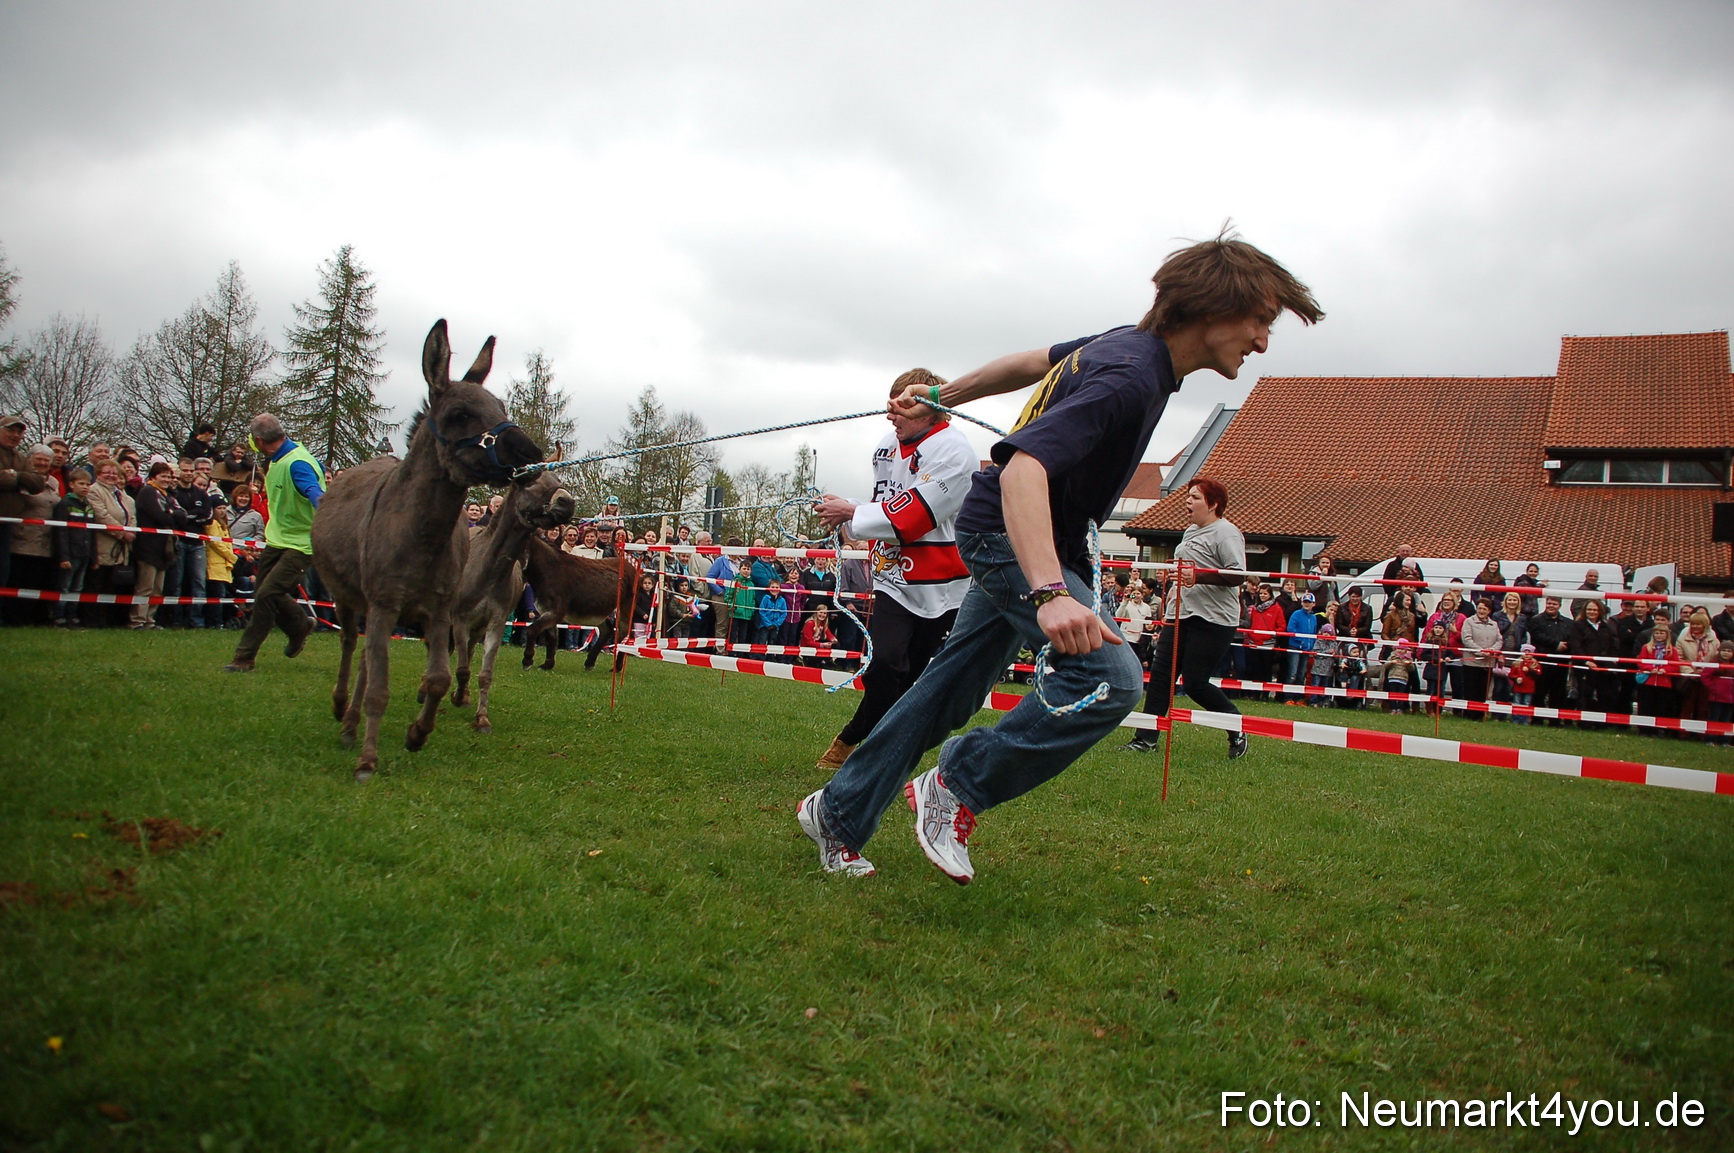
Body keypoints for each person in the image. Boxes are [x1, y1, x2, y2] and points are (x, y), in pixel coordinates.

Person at [800, 231, 1321, 881]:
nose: (1263, 341)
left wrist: (942, 399)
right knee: (1109, 677)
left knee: (946, 693)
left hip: (1020, 532)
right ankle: (956, 785)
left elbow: (1027, 362)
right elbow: (1024, 468)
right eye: (1261, 321)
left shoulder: (1125, 348)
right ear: (1215, 308)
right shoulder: (1131, 375)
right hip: (1010, 532)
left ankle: (838, 813)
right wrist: (1050, 593)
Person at [811, 368, 977, 770]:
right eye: (890, 407)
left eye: (902, 407)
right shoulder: (886, 447)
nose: (891, 416)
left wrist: (852, 511)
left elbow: (917, 513)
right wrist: (846, 508)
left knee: (911, 674)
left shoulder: (957, 453)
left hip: (942, 583)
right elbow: (884, 501)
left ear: (932, 407)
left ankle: (865, 742)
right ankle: (861, 740)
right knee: (887, 661)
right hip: (893, 575)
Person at [1127, 479, 1254, 749]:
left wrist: (1198, 576)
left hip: (1213, 619)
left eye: (1195, 497)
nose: (1188, 502)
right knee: (1161, 678)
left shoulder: (1226, 532)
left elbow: (1237, 575)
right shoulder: (1189, 533)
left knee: (1196, 684)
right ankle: (1145, 739)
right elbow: (1184, 575)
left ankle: (1236, 725)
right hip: (1180, 615)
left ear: (1214, 504)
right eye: (1188, 496)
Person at [224, 414, 324, 673]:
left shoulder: (297, 463)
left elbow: (313, 490)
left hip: (303, 543)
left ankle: (244, 658)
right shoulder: (278, 459)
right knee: (263, 594)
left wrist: (324, 508)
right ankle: (300, 626)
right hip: (278, 538)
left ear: (258, 440)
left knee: (268, 593)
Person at [131, 461, 189, 629]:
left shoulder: (169, 494)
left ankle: (150, 620)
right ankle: (137, 620)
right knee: (145, 586)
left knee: (157, 588)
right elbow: (159, 516)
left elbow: (183, 516)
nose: (166, 479)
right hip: (148, 546)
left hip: (165, 548)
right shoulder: (148, 492)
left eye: (169, 476)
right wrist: (172, 515)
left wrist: (172, 513)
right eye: (162, 476)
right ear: (153, 477)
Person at [0, 414, 48, 595]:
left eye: (18, 432)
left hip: (8, 524)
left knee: (3, 570)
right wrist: (19, 479)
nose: (14, 435)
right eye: (10, 430)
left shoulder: (21, 458)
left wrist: (15, 475)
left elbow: (37, 483)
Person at [86, 459, 136, 628]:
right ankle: (93, 621)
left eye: (114, 473)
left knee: (112, 586)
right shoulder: (93, 491)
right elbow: (101, 515)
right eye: (107, 472)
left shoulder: (124, 495)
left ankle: (109, 621)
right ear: (98, 474)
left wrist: (131, 532)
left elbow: (132, 517)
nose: (111, 476)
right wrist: (122, 533)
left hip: (121, 550)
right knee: (97, 585)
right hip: (102, 545)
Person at [49, 467, 98, 627]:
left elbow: (93, 533)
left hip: (85, 552)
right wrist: (64, 557)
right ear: (71, 484)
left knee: (77, 587)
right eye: (81, 483)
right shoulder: (65, 504)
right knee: (64, 586)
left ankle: (72, 616)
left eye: (87, 484)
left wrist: (94, 557)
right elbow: (61, 532)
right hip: (70, 553)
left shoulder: (89, 506)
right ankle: (58, 616)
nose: (85, 487)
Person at [1568, 599, 1621, 720]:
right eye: (1589, 609)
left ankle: (1600, 722)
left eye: (1595, 610)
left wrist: (1611, 660)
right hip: (1585, 667)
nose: (1592, 612)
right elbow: (1576, 645)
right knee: (1585, 695)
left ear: (1600, 611)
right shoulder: (1578, 625)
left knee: (1604, 694)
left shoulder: (1606, 626)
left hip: (1603, 667)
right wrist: (1586, 661)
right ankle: (1584, 721)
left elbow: (1613, 644)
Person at [1458, 599, 1502, 719]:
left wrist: (1492, 650)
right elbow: (1467, 639)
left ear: (1489, 611)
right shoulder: (1469, 622)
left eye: (1485, 609)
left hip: (1487, 664)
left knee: (1483, 691)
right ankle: (1469, 715)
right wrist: (1481, 652)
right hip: (1472, 662)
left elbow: (1499, 640)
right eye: (1479, 608)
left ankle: (1479, 715)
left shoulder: (1494, 624)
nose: (1482, 611)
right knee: (1471, 690)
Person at [1634, 624, 1681, 722]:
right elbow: (1641, 662)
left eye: (1662, 633)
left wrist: (1665, 670)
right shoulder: (1646, 647)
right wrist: (1650, 668)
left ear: (1667, 635)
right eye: (1656, 633)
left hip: (1664, 682)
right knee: (1645, 706)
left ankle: (1658, 729)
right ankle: (1644, 729)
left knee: (1660, 707)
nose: (1659, 635)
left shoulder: (1672, 650)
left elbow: (1676, 666)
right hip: (1648, 681)